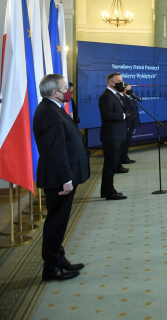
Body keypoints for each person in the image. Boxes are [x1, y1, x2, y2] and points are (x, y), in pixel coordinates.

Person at [34, 74, 90, 281]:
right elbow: (55, 151)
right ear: (54, 92)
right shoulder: (48, 112)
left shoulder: (54, 108)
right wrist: (66, 179)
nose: (69, 91)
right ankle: (51, 268)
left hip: (61, 176)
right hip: (58, 178)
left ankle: (59, 259)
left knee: (60, 221)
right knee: (56, 222)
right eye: (65, 88)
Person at [98, 72, 128, 200]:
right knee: (110, 165)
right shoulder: (106, 96)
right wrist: (123, 116)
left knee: (112, 164)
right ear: (111, 82)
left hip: (117, 134)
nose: (122, 83)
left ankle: (107, 190)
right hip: (111, 135)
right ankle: (109, 192)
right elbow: (107, 115)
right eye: (119, 81)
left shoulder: (115, 95)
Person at [118, 83, 139, 166]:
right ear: (125, 90)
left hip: (132, 123)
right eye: (129, 89)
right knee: (125, 142)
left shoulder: (129, 98)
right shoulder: (123, 99)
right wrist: (127, 125)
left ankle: (125, 157)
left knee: (127, 142)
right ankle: (123, 158)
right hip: (128, 124)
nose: (131, 90)